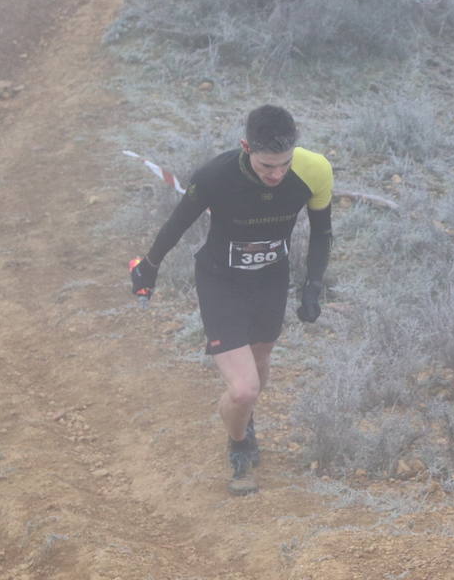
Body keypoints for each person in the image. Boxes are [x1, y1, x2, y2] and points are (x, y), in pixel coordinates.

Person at [129, 105, 332, 496]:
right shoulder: (214, 176)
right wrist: (149, 267)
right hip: (220, 281)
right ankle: (239, 445)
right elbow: (176, 224)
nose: (276, 175)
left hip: (271, 279)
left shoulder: (314, 170)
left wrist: (313, 286)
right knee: (243, 389)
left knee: (259, 365)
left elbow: (322, 233)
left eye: (284, 165)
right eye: (266, 166)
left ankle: (243, 420)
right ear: (245, 147)